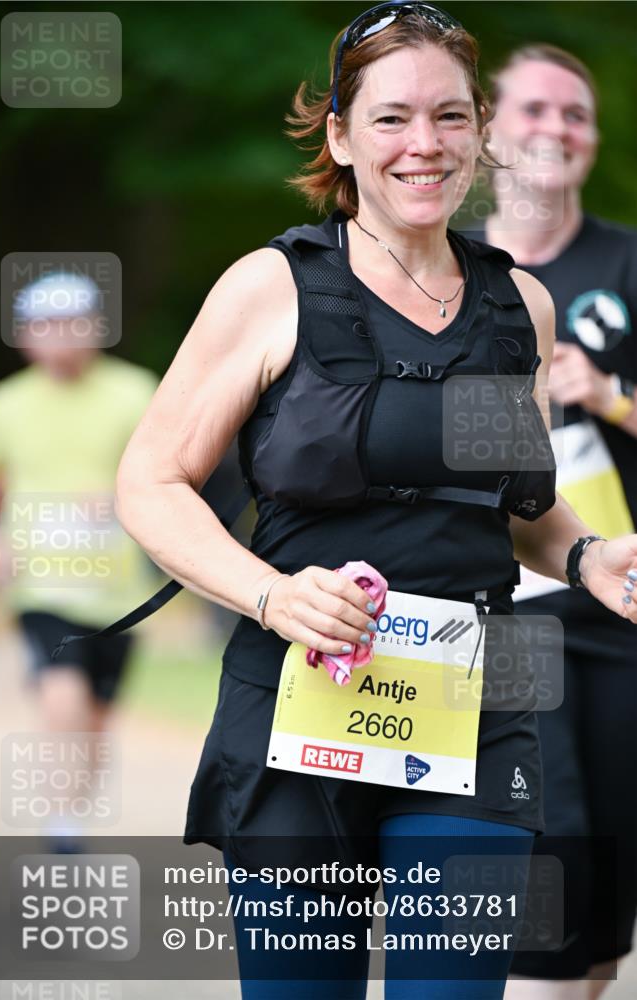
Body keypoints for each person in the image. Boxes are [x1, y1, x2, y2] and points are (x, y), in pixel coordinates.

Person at [114, 5, 637, 997]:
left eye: (449, 116)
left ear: (479, 132)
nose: (423, 143)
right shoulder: (271, 287)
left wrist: (584, 554)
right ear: (342, 137)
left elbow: (511, 506)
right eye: (391, 118)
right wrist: (271, 594)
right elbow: (150, 481)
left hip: (469, 710)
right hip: (297, 709)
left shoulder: (519, 306)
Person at [469, 45, 636, 999]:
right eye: (533, 108)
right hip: (492, 609)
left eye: (574, 113)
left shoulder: (625, 262)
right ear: (489, 128)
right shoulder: (447, 267)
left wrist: (608, 396)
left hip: (617, 604)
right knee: (538, 843)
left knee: (602, 906)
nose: (554, 127)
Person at [0, 271, 159, 846]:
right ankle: (61, 817)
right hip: (40, 582)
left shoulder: (135, 391)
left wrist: (118, 497)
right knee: (62, 690)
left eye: (72, 324)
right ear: (25, 335)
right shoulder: (5, 403)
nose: (59, 336)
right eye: (45, 326)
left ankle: (72, 806)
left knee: (95, 717)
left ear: (95, 328)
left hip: (118, 588)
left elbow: (167, 472)